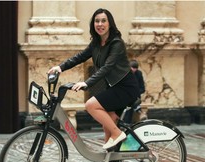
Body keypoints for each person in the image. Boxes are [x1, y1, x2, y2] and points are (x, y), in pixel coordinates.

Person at [47, 8, 139, 150]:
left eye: (103, 21)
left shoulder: (116, 43)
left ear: (110, 24)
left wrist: (86, 82)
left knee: (91, 105)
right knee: (109, 120)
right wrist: (60, 67)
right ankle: (111, 161)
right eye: (97, 21)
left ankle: (117, 133)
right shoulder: (96, 43)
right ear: (93, 24)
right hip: (114, 87)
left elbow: (107, 67)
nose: (100, 24)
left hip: (126, 87)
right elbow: (80, 57)